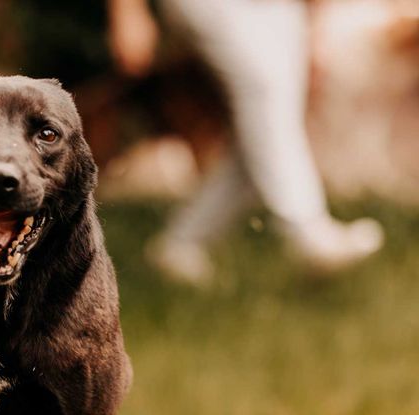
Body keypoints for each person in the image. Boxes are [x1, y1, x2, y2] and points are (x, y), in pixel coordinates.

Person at [107, 0, 384, 287]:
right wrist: (128, 11)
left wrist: (315, 31)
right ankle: (308, 229)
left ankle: (181, 244)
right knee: (264, 93)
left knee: (264, 131)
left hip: (283, 7)